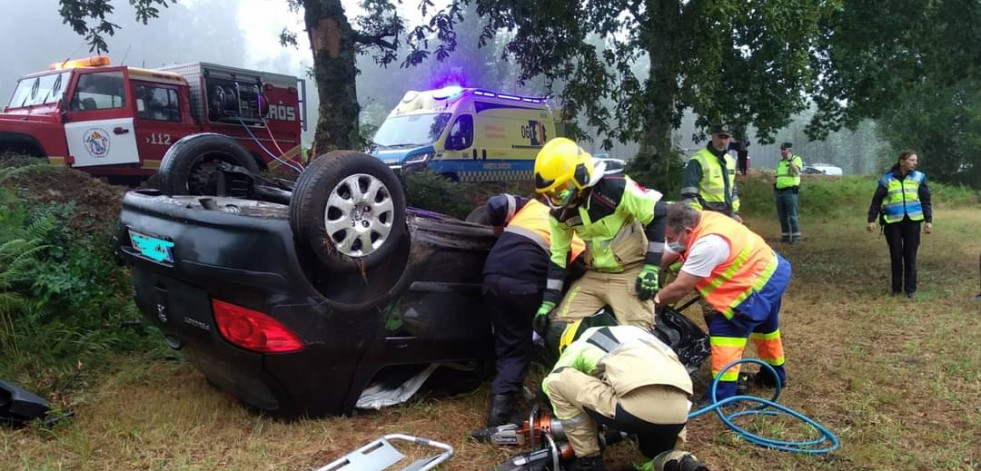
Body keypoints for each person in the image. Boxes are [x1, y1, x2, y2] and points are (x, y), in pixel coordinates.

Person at [531, 138, 667, 336]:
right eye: (550, 193)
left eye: (560, 190)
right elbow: (559, 256)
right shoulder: (560, 214)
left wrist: (651, 268)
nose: (555, 198)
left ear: (579, 176)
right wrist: (548, 301)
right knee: (558, 330)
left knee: (638, 338)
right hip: (594, 274)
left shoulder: (615, 189)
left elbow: (658, 211)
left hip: (629, 272)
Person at [656, 203, 790, 401]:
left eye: (669, 239)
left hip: (753, 289)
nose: (668, 243)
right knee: (766, 331)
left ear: (687, 231)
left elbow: (680, 288)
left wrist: (652, 303)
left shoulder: (708, 245)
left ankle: (721, 396)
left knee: (725, 333)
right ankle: (773, 376)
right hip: (773, 271)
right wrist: (654, 267)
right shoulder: (702, 219)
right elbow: (673, 251)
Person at [542, 322, 709, 471]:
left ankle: (589, 460)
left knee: (556, 380)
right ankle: (681, 462)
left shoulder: (581, 343)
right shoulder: (642, 337)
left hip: (633, 412)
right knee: (651, 459)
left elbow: (552, 383)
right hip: (678, 416)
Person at [481, 193, 586, 426]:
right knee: (551, 338)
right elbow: (581, 271)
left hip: (491, 277)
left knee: (511, 343)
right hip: (525, 283)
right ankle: (555, 398)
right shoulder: (573, 230)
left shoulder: (529, 211)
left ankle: (501, 406)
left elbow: (498, 215)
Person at [866, 150, 933, 298]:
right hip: (893, 223)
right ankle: (896, 289)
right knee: (896, 256)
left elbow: (926, 201)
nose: (915, 163)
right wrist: (871, 220)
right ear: (902, 161)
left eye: (916, 160)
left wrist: (928, 221)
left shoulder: (919, 178)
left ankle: (911, 290)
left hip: (913, 222)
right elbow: (876, 201)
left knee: (910, 256)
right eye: (912, 160)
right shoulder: (887, 180)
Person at [680, 124, 742, 222]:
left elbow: (733, 191)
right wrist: (697, 216)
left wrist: (735, 213)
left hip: (727, 215)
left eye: (726, 138)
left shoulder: (730, 161)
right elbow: (689, 194)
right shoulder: (698, 160)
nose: (723, 141)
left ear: (730, 139)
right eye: (720, 137)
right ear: (713, 136)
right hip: (705, 215)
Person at [774, 142, 803, 244]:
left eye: (784, 150)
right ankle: (785, 236)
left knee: (792, 215)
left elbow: (796, 172)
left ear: (789, 150)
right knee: (782, 215)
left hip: (790, 191)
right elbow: (777, 176)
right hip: (779, 191)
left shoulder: (796, 159)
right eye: (781, 150)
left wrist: (790, 160)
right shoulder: (780, 162)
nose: (782, 152)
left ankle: (795, 236)